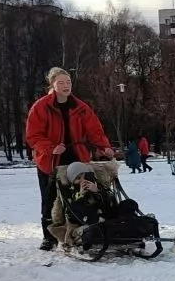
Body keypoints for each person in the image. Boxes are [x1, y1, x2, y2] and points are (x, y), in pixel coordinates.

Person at [25, 67, 114, 250]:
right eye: (61, 83)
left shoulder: (80, 107)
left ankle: (78, 229)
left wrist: (104, 147)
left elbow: (94, 130)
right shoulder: (41, 107)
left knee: (79, 196)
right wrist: (51, 148)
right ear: (52, 85)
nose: (66, 86)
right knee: (49, 199)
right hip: (50, 161)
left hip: (76, 160)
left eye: (68, 82)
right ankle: (48, 236)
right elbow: (33, 136)